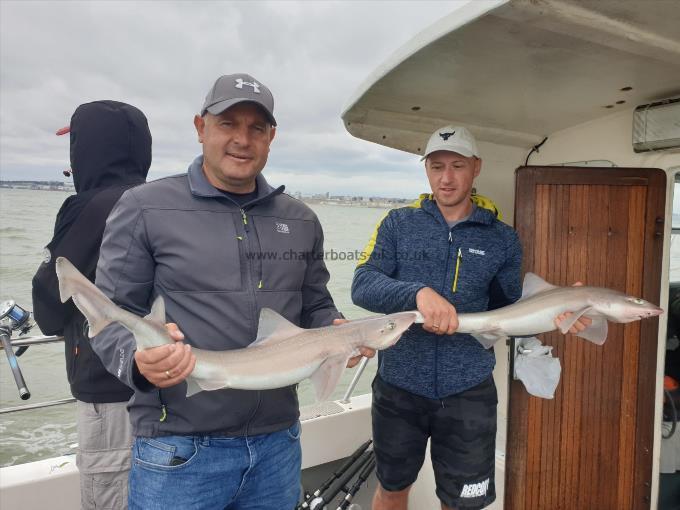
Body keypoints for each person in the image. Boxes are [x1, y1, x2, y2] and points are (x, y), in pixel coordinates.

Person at [91, 73, 369, 510]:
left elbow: (314, 303)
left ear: (271, 137)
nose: (243, 139)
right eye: (228, 124)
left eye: (256, 128)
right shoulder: (145, 207)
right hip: (179, 449)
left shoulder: (300, 219)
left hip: (278, 444)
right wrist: (140, 365)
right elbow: (109, 318)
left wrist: (335, 334)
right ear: (201, 127)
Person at [351, 125, 587, 510]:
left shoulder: (502, 238)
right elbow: (362, 284)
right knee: (392, 490)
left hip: (468, 391)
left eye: (457, 165)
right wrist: (416, 293)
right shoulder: (397, 223)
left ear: (476, 168)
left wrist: (557, 308)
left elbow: (511, 307)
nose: (446, 178)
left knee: (463, 503)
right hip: (398, 388)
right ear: (426, 169)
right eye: (437, 166)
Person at [32, 100, 152, 510]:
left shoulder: (91, 206)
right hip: (161, 389)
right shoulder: (159, 200)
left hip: (108, 392)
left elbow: (49, 308)